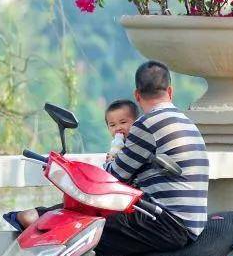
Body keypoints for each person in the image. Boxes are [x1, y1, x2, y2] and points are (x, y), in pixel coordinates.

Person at [78, 61, 208, 256]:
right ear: (170, 91)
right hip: (188, 222)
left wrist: (112, 157)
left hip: (167, 222)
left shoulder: (146, 125)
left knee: (85, 236)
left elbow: (116, 177)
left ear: (138, 96)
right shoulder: (185, 121)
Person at [12, 98, 140, 229]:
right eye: (112, 125)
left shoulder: (137, 148)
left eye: (123, 122)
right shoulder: (117, 151)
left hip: (118, 203)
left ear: (137, 123)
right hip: (104, 199)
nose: (118, 128)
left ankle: (45, 220)